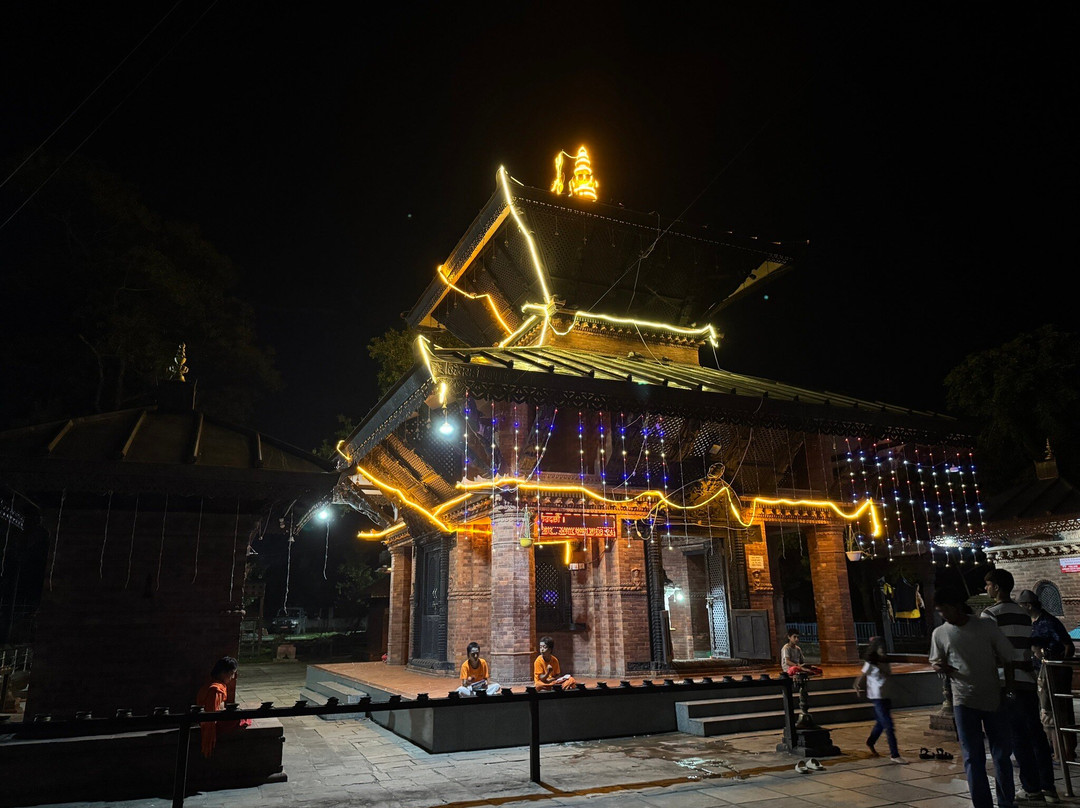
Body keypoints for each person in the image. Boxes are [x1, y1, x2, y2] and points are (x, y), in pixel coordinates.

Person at [929, 585, 1018, 808]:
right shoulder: (940, 633)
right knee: (971, 756)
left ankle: (1007, 800)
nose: (942, 615)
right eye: (939, 611)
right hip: (962, 700)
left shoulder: (986, 626)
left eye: (944, 610)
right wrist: (940, 667)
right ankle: (982, 803)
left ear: (957, 606)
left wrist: (1009, 688)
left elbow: (1008, 657)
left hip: (992, 697)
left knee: (1000, 754)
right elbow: (935, 661)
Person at [983, 570, 1059, 804]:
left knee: (1018, 736)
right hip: (1026, 679)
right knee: (1035, 733)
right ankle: (1048, 787)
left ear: (996, 587)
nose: (986, 589)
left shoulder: (990, 615)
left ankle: (1031, 787)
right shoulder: (1023, 613)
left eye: (987, 585)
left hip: (1007, 682)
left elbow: (990, 651)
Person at [1019, 589, 1076, 763]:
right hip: (1040, 671)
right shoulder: (1031, 623)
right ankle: (1055, 750)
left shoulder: (1049, 622)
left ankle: (1066, 751)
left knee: (1058, 711)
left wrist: (1061, 667)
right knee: (1046, 711)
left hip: (1054, 671)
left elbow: (1068, 646)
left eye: (1021, 605)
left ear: (1028, 605)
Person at [854, 636, 907, 764]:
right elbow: (862, 676)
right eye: (880, 648)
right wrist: (857, 686)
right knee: (889, 725)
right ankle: (894, 754)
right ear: (875, 649)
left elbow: (888, 675)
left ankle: (871, 741)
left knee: (881, 723)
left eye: (883, 647)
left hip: (886, 694)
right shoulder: (871, 663)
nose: (882, 650)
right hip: (877, 696)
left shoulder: (885, 660)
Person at [196, 656, 250, 758]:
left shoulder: (214, 685)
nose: (233, 677)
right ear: (224, 673)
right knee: (240, 718)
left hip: (214, 720)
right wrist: (210, 737)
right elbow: (210, 716)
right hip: (211, 724)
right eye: (232, 673)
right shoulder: (215, 690)